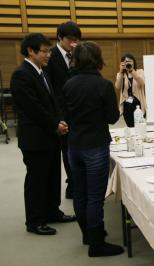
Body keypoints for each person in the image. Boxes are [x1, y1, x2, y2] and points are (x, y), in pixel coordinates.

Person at [10, 33, 76, 235]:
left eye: (49, 51)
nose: (49, 55)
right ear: (31, 51)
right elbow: (33, 108)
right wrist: (55, 125)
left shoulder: (42, 71)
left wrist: (60, 121)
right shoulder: (21, 74)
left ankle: (51, 211)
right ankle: (35, 220)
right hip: (35, 138)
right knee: (37, 180)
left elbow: (52, 101)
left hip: (50, 135)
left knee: (52, 176)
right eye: (45, 51)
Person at [63, 41, 123, 256]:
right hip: (95, 145)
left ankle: (88, 235)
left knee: (80, 192)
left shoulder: (69, 84)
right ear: (98, 60)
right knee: (95, 196)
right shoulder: (103, 85)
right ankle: (97, 244)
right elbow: (112, 117)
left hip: (74, 145)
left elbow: (66, 116)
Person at [45, 21, 82, 199]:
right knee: (65, 150)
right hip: (59, 112)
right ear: (59, 38)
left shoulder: (78, 56)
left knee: (76, 148)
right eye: (70, 39)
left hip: (77, 110)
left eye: (77, 40)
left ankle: (74, 183)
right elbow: (49, 89)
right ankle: (72, 184)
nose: (73, 43)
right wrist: (57, 116)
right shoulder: (50, 57)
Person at [114, 53, 146, 127]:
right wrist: (121, 72)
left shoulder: (140, 71)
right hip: (127, 105)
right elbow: (117, 87)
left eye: (130, 61)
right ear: (122, 63)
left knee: (140, 125)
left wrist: (132, 71)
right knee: (130, 126)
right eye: (126, 62)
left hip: (139, 103)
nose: (128, 63)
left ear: (134, 62)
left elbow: (142, 83)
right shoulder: (120, 74)